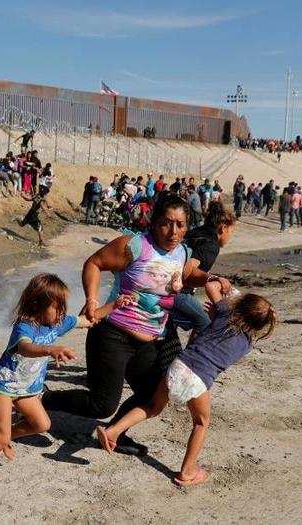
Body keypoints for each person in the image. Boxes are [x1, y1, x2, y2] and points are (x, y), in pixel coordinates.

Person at [43, 194, 232, 457]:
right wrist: (92, 300)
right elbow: (94, 263)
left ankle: (116, 434)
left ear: (187, 226)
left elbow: (188, 275)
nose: (173, 231)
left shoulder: (182, 252)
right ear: (154, 222)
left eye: (180, 225)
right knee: (101, 404)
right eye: (167, 223)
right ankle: (43, 400)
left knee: (152, 395)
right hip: (112, 334)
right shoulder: (135, 245)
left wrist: (211, 277)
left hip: (150, 339)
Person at [0, 273, 132, 498]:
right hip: (5, 386)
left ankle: (7, 436)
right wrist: (51, 349)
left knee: (42, 424)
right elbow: (25, 348)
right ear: (37, 304)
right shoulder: (25, 327)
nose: (61, 313)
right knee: (0, 438)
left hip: (28, 389)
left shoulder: (56, 323)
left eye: (63, 307)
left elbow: (88, 320)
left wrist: (114, 305)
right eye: (56, 307)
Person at [96, 286, 276, 487]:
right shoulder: (247, 344)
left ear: (240, 305)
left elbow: (212, 287)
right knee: (201, 423)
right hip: (198, 378)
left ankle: (113, 431)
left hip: (178, 364)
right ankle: (187, 471)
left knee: (153, 407)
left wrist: (229, 294)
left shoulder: (224, 313)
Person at [172, 201, 236, 334]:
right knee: (205, 323)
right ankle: (193, 354)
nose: (230, 237)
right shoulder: (211, 245)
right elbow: (187, 271)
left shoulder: (195, 232)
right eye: (231, 232)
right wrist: (214, 278)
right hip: (176, 292)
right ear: (223, 228)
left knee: (169, 331)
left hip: (163, 283)